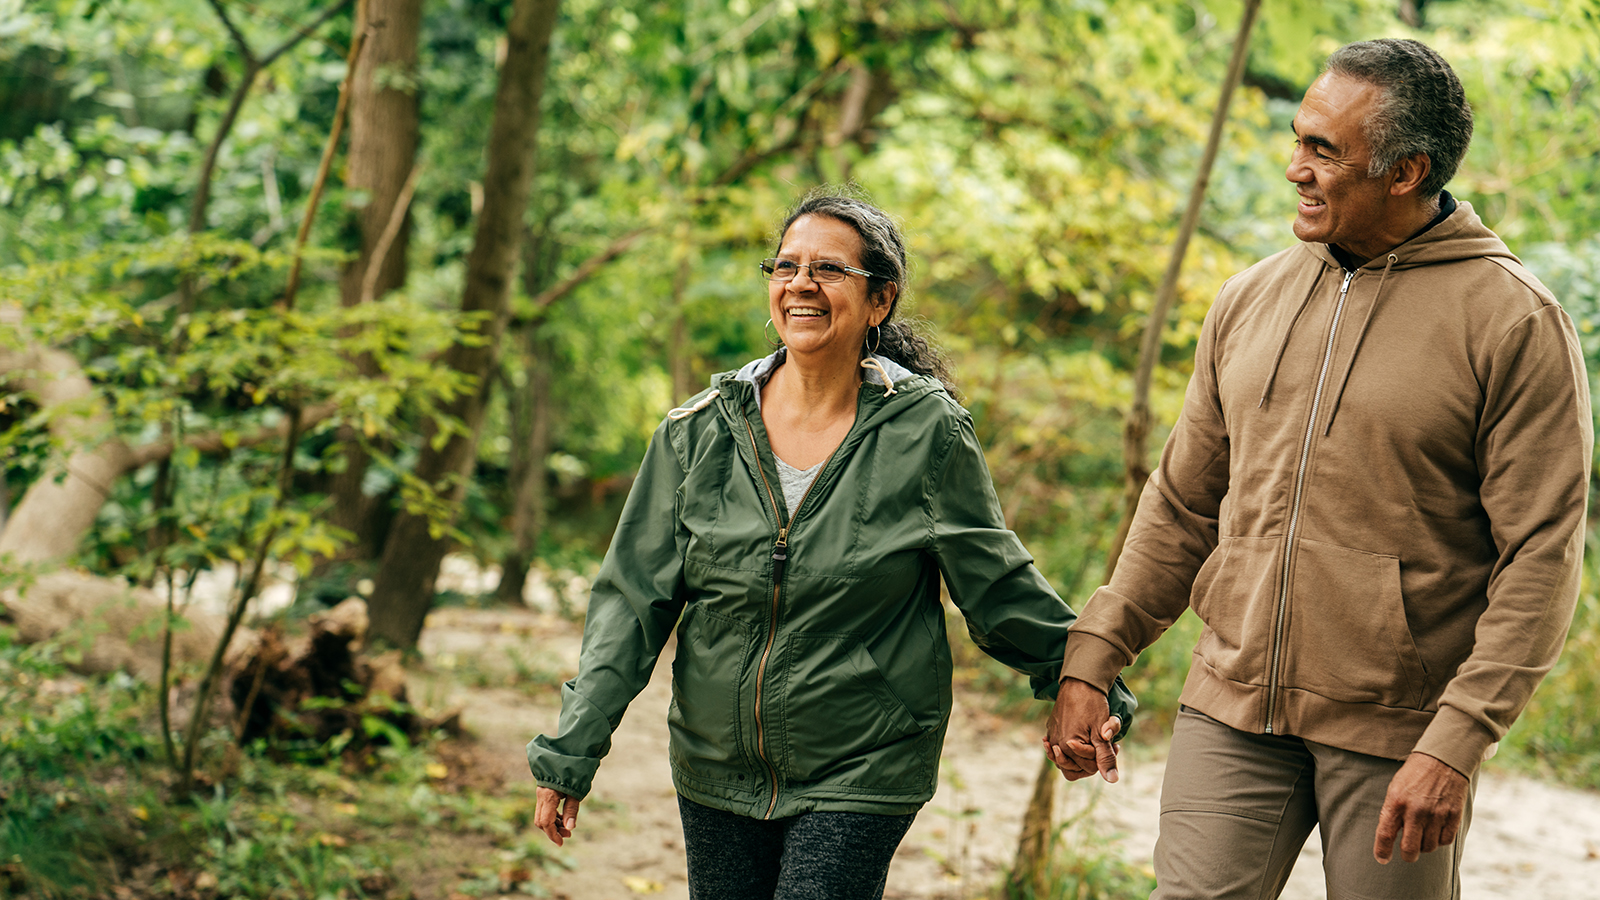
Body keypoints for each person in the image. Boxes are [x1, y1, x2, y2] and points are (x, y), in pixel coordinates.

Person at [1045, 38, 1591, 899]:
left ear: (1406, 171)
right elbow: (1185, 503)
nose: (1294, 167)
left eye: (1323, 151)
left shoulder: (1513, 323)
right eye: (1299, 139)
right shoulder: (1249, 298)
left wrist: (1456, 740)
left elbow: (1542, 558)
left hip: (1397, 735)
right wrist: (1096, 652)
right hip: (1229, 702)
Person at [526, 188, 1135, 899]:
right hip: (716, 760)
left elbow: (996, 586)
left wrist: (1088, 679)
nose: (801, 284)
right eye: (785, 266)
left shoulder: (924, 433)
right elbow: (630, 605)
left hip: (864, 760)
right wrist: (572, 751)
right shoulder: (699, 432)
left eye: (828, 269)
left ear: (879, 301)